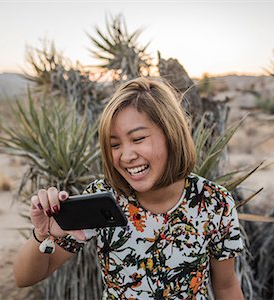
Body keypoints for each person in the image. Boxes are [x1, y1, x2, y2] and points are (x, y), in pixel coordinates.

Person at [13, 77, 244, 299]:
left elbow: (226, 286)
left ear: (171, 134)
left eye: (138, 138)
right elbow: (25, 277)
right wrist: (42, 234)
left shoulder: (214, 202)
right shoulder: (103, 199)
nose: (126, 156)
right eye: (114, 145)